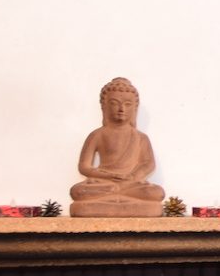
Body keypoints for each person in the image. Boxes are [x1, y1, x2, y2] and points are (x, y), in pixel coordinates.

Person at [69, 78, 165, 217]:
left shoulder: (141, 137)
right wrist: (109, 176)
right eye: (114, 103)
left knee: (155, 193)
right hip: (104, 182)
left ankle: (114, 199)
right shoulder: (97, 135)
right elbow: (84, 167)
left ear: (134, 108)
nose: (121, 109)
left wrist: (132, 177)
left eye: (128, 104)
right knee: (78, 191)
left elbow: (148, 164)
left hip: (131, 183)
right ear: (104, 106)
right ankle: (120, 198)